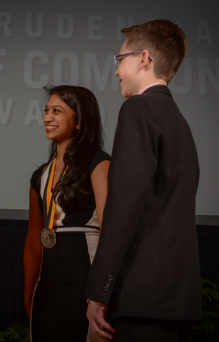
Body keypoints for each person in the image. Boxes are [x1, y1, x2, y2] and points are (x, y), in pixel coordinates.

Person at [85, 20, 202, 341]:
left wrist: (99, 290)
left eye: (119, 60)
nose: (116, 70)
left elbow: (124, 206)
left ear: (144, 59)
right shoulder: (180, 122)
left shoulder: (138, 109)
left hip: (143, 294)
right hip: (176, 298)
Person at [23, 85, 110, 341]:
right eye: (47, 110)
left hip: (85, 281)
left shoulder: (99, 163)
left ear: (80, 121)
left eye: (57, 111)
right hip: (48, 287)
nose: (47, 117)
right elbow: (32, 244)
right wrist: (29, 296)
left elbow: (111, 233)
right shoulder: (40, 176)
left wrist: (103, 293)